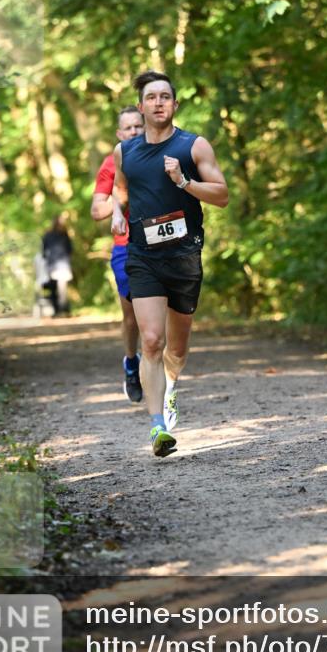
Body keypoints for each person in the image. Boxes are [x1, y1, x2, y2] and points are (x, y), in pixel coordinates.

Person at [111, 71, 228, 457]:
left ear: (174, 105)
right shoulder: (124, 152)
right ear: (141, 107)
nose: (158, 102)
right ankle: (157, 426)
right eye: (151, 97)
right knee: (151, 340)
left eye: (165, 96)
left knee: (176, 349)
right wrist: (116, 210)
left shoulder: (193, 146)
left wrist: (184, 183)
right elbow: (121, 188)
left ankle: (171, 386)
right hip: (143, 257)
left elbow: (222, 195)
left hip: (184, 256)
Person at [91, 106, 146, 402]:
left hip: (159, 245)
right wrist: (119, 203)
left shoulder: (160, 155)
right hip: (127, 247)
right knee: (132, 317)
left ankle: (157, 375)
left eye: (139, 126)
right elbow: (96, 210)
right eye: (128, 128)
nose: (135, 132)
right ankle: (130, 362)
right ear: (119, 134)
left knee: (160, 316)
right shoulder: (111, 164)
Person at [41, 214, 73, 316]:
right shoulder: (64, 234)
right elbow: (70, 249)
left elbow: (43, 251)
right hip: (63, 264)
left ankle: (57, 310)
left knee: (53, 288)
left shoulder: (47, 235)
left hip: (52, 264)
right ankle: (63, 309)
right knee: (62, 288)